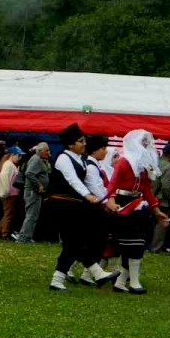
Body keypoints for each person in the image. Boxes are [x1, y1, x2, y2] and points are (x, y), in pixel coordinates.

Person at [45, 125, 119, 292]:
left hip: (72, 205)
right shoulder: (64, 158)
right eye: (80, 141)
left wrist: (103, 197)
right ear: (70, 145)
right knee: (75, 241)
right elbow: (73, 180)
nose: (84, 144)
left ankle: (58, 279)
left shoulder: (80, 159)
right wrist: (87, 195)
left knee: (73, 243)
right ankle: (96, 272)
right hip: (61, 204)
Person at [105, 129, 170, 294]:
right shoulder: (125, 162)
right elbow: (113, 182)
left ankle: (122, 282)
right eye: (143, 141)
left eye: (148, 142)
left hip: (137, 205)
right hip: (123, 204)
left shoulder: (143, 166)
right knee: (130, 243)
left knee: (137, 243)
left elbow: (146, 189)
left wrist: (156, 210)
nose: (147, 145)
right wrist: (111, 199)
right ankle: (132, 282)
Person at [13, 143, 50, 243]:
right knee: (31, 216)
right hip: (32, 192)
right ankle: (23, 238)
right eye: (46, 150)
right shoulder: (36, 159)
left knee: (33, 216)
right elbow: (29, 173)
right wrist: (39, 185)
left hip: (35, 193)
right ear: (40, 151)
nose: (48, 153)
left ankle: (27, 237)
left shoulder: (39, 160)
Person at [0, 146, 23, 238]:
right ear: (13, 155)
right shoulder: (8, 164)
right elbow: (4, 177)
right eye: (19, 156)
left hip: (11, 193)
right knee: (9, 214)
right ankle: (4, 232)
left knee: (8, 213)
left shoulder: (10, 164)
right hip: (9, 194)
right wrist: (6, 191)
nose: (20, 158)